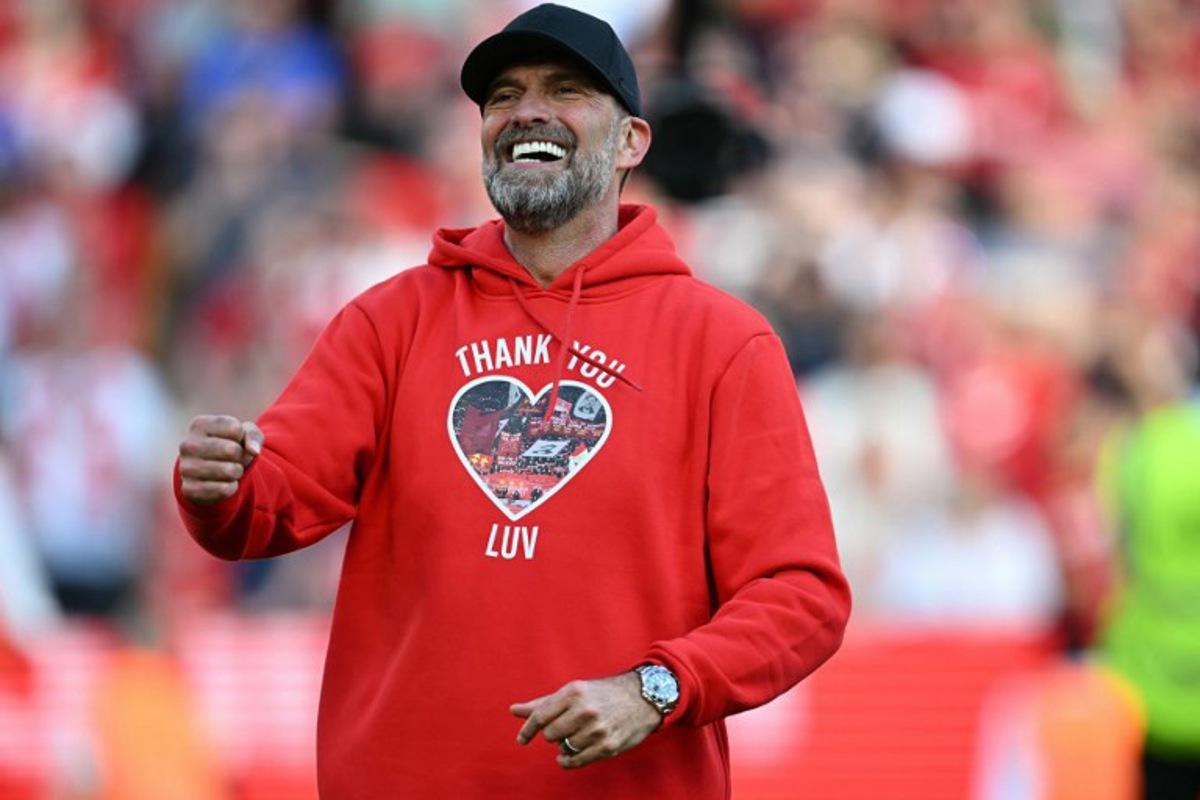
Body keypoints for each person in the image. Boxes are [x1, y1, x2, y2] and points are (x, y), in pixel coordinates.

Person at [174, 4, 850, 797]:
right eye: (503, 96)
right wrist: (223, 484)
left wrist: (654, 689)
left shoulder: (723, 343)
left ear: (632, 140)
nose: (527, 110)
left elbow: (801, 596)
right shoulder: (391, 320)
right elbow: (269, 503)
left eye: (565, 90)